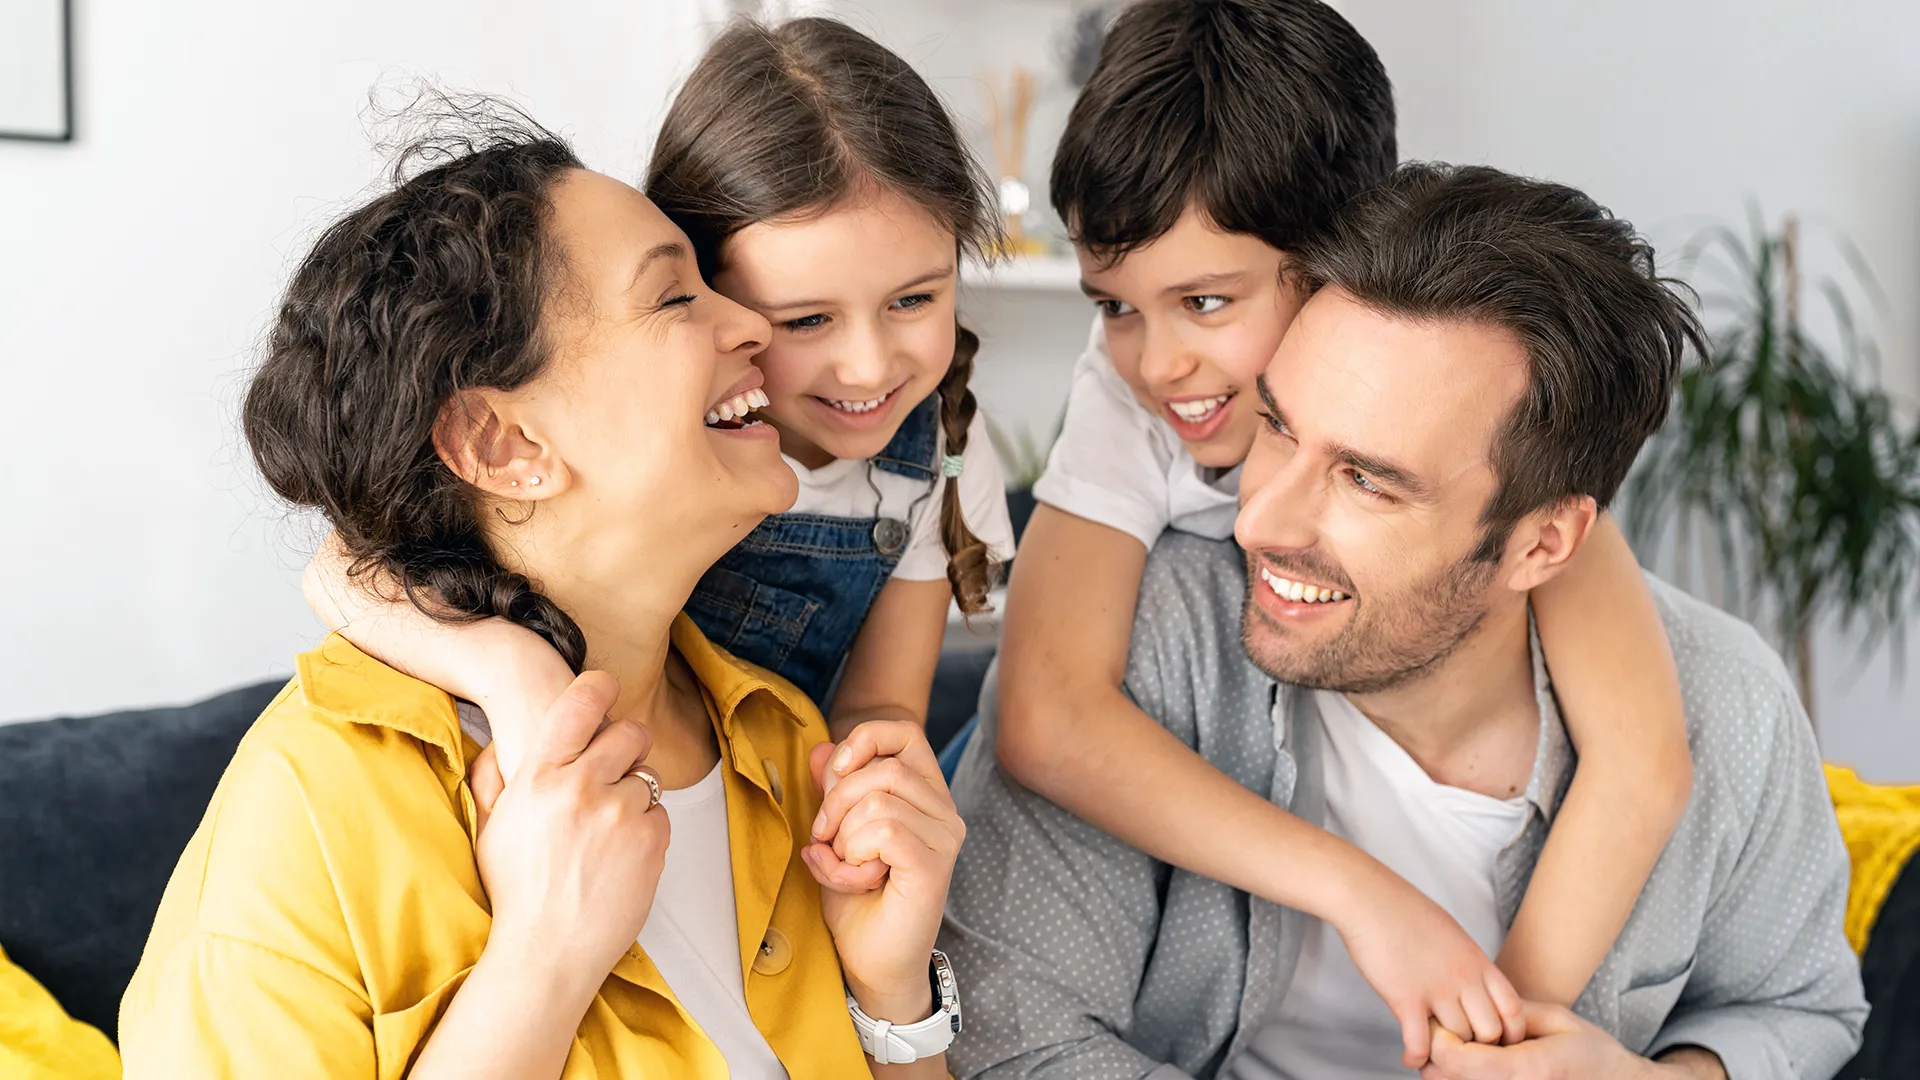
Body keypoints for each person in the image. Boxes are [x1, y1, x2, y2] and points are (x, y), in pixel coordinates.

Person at [940, 163, 1868, 1080]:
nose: (1256, 521)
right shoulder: (1141, 648)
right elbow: (1015, 1042)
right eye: (1278, 427)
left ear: (1545, 545)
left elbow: (1798, 1007)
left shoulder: (1729, 705)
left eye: (1366, 480)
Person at [118, 106, 968, 1079]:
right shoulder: (315, 806)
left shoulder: (785, 744)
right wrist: (545, 957)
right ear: (502, 444)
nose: (752, 327)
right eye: (675, 299)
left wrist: (891, 995)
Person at [985, 0, 1694, 1061]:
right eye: (1113, 305)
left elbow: (1642, 762)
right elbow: (1046, 720)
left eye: (1207, 303)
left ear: (1342, 265)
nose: (1157, 363)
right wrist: (1368, 898)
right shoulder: (1125, 396)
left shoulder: (1490, 456)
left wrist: (1488, 1032)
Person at [303, 18, 1015, 786]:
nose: (869, 365)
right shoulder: (637, 450)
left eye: (914, 299)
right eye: (806, 319)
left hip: (766, 810)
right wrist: (506, 669)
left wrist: (868, 794)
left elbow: (881, 703)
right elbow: (347, 566)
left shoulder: (932, 450)